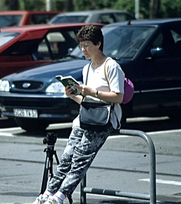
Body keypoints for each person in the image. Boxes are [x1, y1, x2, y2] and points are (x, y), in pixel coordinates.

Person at [32, 24, 125, 204]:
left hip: (103, 120)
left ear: (98, 44)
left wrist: (92, 92)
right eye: (81, 46)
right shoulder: (87, 68)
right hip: (85, 118)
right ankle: (47, 194)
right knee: (66, 158)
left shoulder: (111, 66)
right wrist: (74, 96)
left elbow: (118, 97)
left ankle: (59, 197)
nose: (83, 50)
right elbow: (86, 101)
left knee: (80, 159)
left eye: (87, 45)